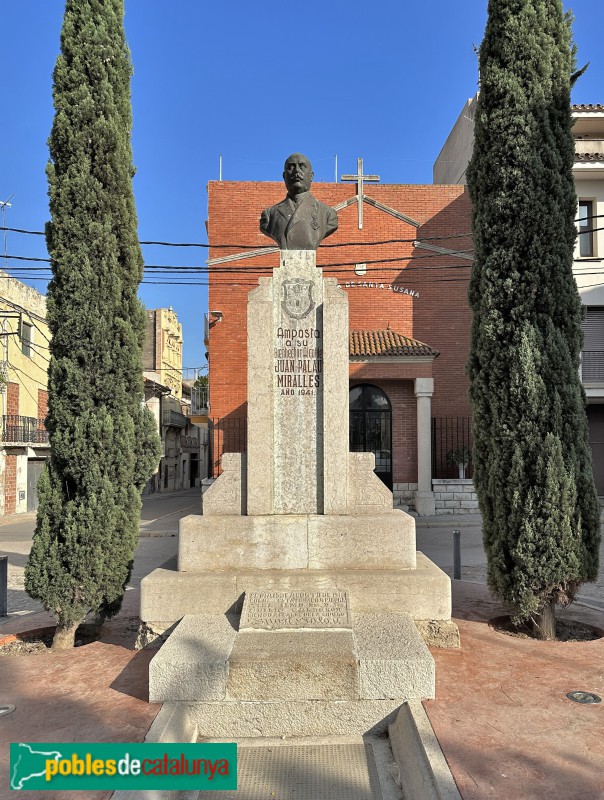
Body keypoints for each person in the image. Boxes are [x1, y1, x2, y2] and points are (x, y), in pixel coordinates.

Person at [260, 153, 338, 250]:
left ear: (311, 176)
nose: (296, 170)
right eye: (291, 167)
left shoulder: (327, 214)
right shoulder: (269, 216)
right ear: (284, 176)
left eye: (302, 166)